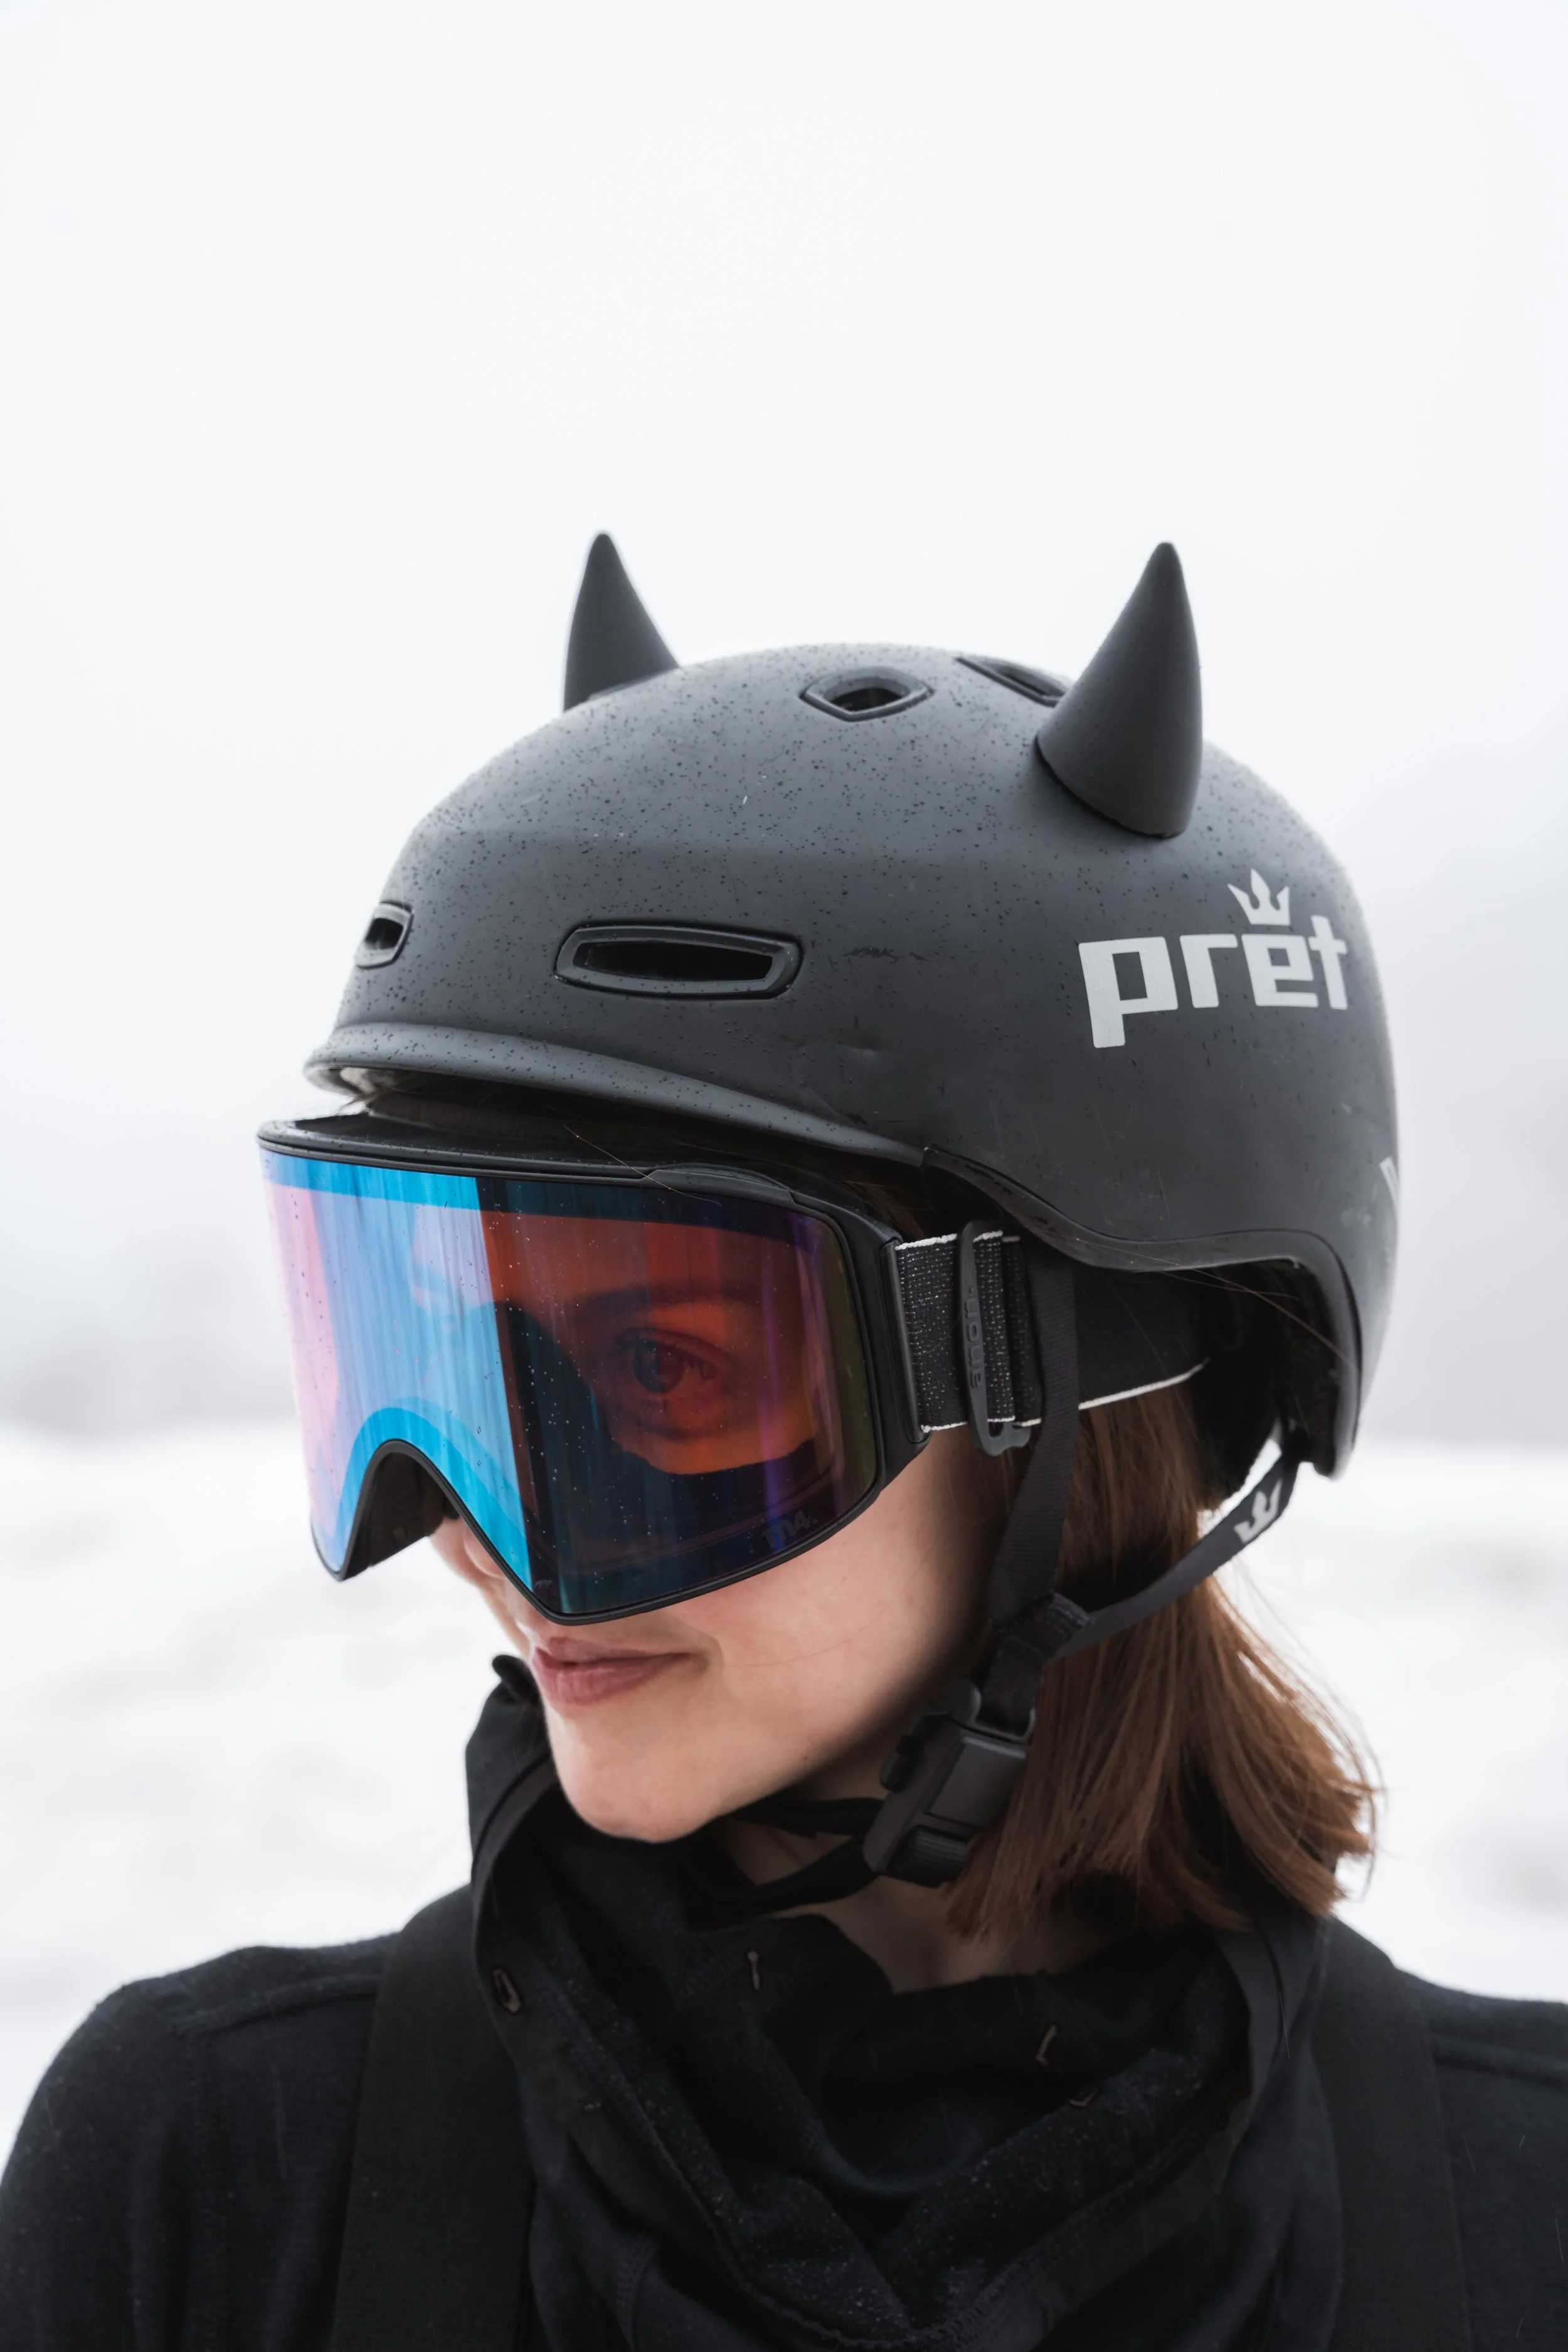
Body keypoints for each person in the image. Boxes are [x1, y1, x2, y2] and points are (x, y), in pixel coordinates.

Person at [2, 538, 1563, 2352]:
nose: (486, 1537)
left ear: (1101, 1388)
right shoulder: (214, 2181)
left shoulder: (1518, 2219)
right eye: (438, 1354)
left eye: (666, 1372)